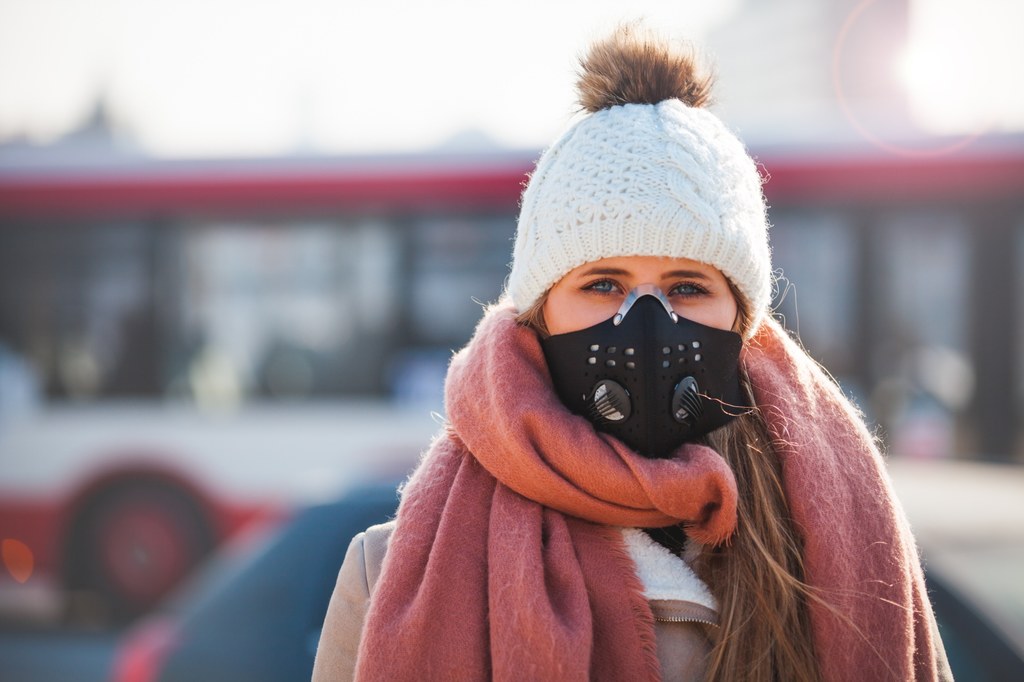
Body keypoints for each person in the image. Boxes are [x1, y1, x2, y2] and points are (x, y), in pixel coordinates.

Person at [312, 25, 951, 682]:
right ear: (539, 314)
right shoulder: (392, 572)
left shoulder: (844, 549)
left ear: (742, 318)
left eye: (687, 286)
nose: (646, 323)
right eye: (603, 284)